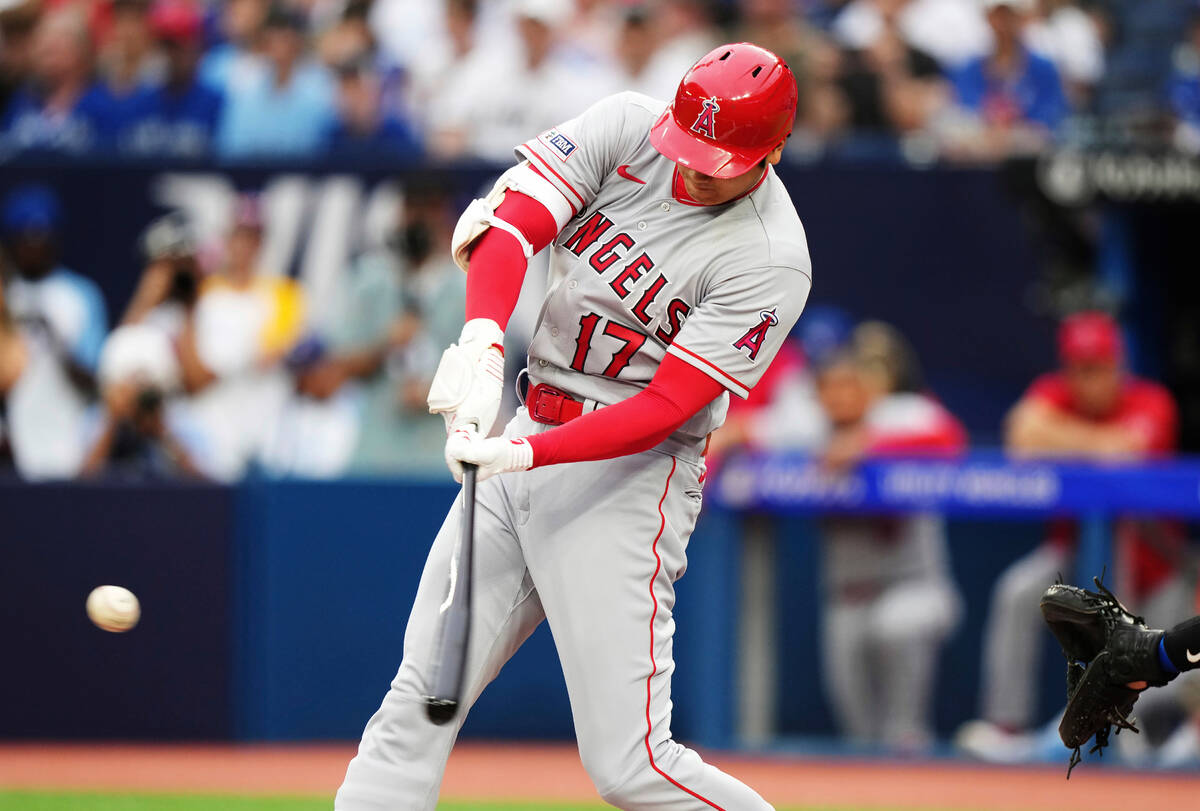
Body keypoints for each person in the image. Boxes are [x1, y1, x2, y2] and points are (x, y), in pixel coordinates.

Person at [336, 43, 811, 810]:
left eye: (716, 159)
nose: (692, 168)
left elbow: (664, 408)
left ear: (774, 150)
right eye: (689, 144)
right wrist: (485, 337)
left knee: (632, 766)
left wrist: (526, 451)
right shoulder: (629, 125)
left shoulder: (771, 256)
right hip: (530, 419)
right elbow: (513, 224)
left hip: (629, 478)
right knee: (421, 696)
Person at [957, 311, 1187, 761]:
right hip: (1077, 554)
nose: (1089, 380)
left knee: (1172, 649)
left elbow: (1128, 451)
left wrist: (1063, 439)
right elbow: (1021, 437)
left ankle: (1167, 738)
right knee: (1017, 590)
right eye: (1080, 369)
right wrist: (1096, 443)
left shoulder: (1151, 400)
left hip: (1158, 568)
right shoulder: (1053, 392)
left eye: (1099, 367)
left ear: (1118, 365)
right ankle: (1006, 725)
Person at [813, 324, 965, 751]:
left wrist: (869, 442)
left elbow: (950, 438)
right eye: (834, 386)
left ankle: (908, 741)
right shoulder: (809, 426)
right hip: (847, 595)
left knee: (894, 627)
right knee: (855, 722)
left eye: (854, 384)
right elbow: (755, 430)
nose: (844, 395)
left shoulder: (901, 414)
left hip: (915, 586)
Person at [0, 185, 108, 478]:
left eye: (42, 237)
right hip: (11, 445)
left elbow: (96, 383)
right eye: (26, 238)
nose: (34, 247)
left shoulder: (81, 295)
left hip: (69, 441)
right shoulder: (4, 293)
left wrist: (54, 341)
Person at [944, 0, 1068, 160]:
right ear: (988, 18)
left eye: (1009, 15)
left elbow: (1050, 120)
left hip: (1027, 164)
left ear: (1022, 18)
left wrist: (1012, 136)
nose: (1003, 23)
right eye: (998, 15)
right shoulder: (968, 69)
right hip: (980, 162)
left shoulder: (1045, 69)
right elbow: (962, 115)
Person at [215, 3, 335, 158]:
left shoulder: (322, 87)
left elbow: (321, 147)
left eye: (284, 39)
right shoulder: (247, 90)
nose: (278, 48)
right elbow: (231, 148)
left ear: (297, 41)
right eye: (271, 41)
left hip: (304, 177)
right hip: (254, 176)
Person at [2, 7, 116, 154]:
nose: (45, 50)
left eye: (57, 43)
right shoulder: (22, 101)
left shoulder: (105, 104)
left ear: (83, 51)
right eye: (42, 42)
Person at [119, 0, 224, 157]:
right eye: (165, 46)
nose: (170, 55)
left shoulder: (215, 102)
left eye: (177, 47)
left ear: (197, 49)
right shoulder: (141, 101)